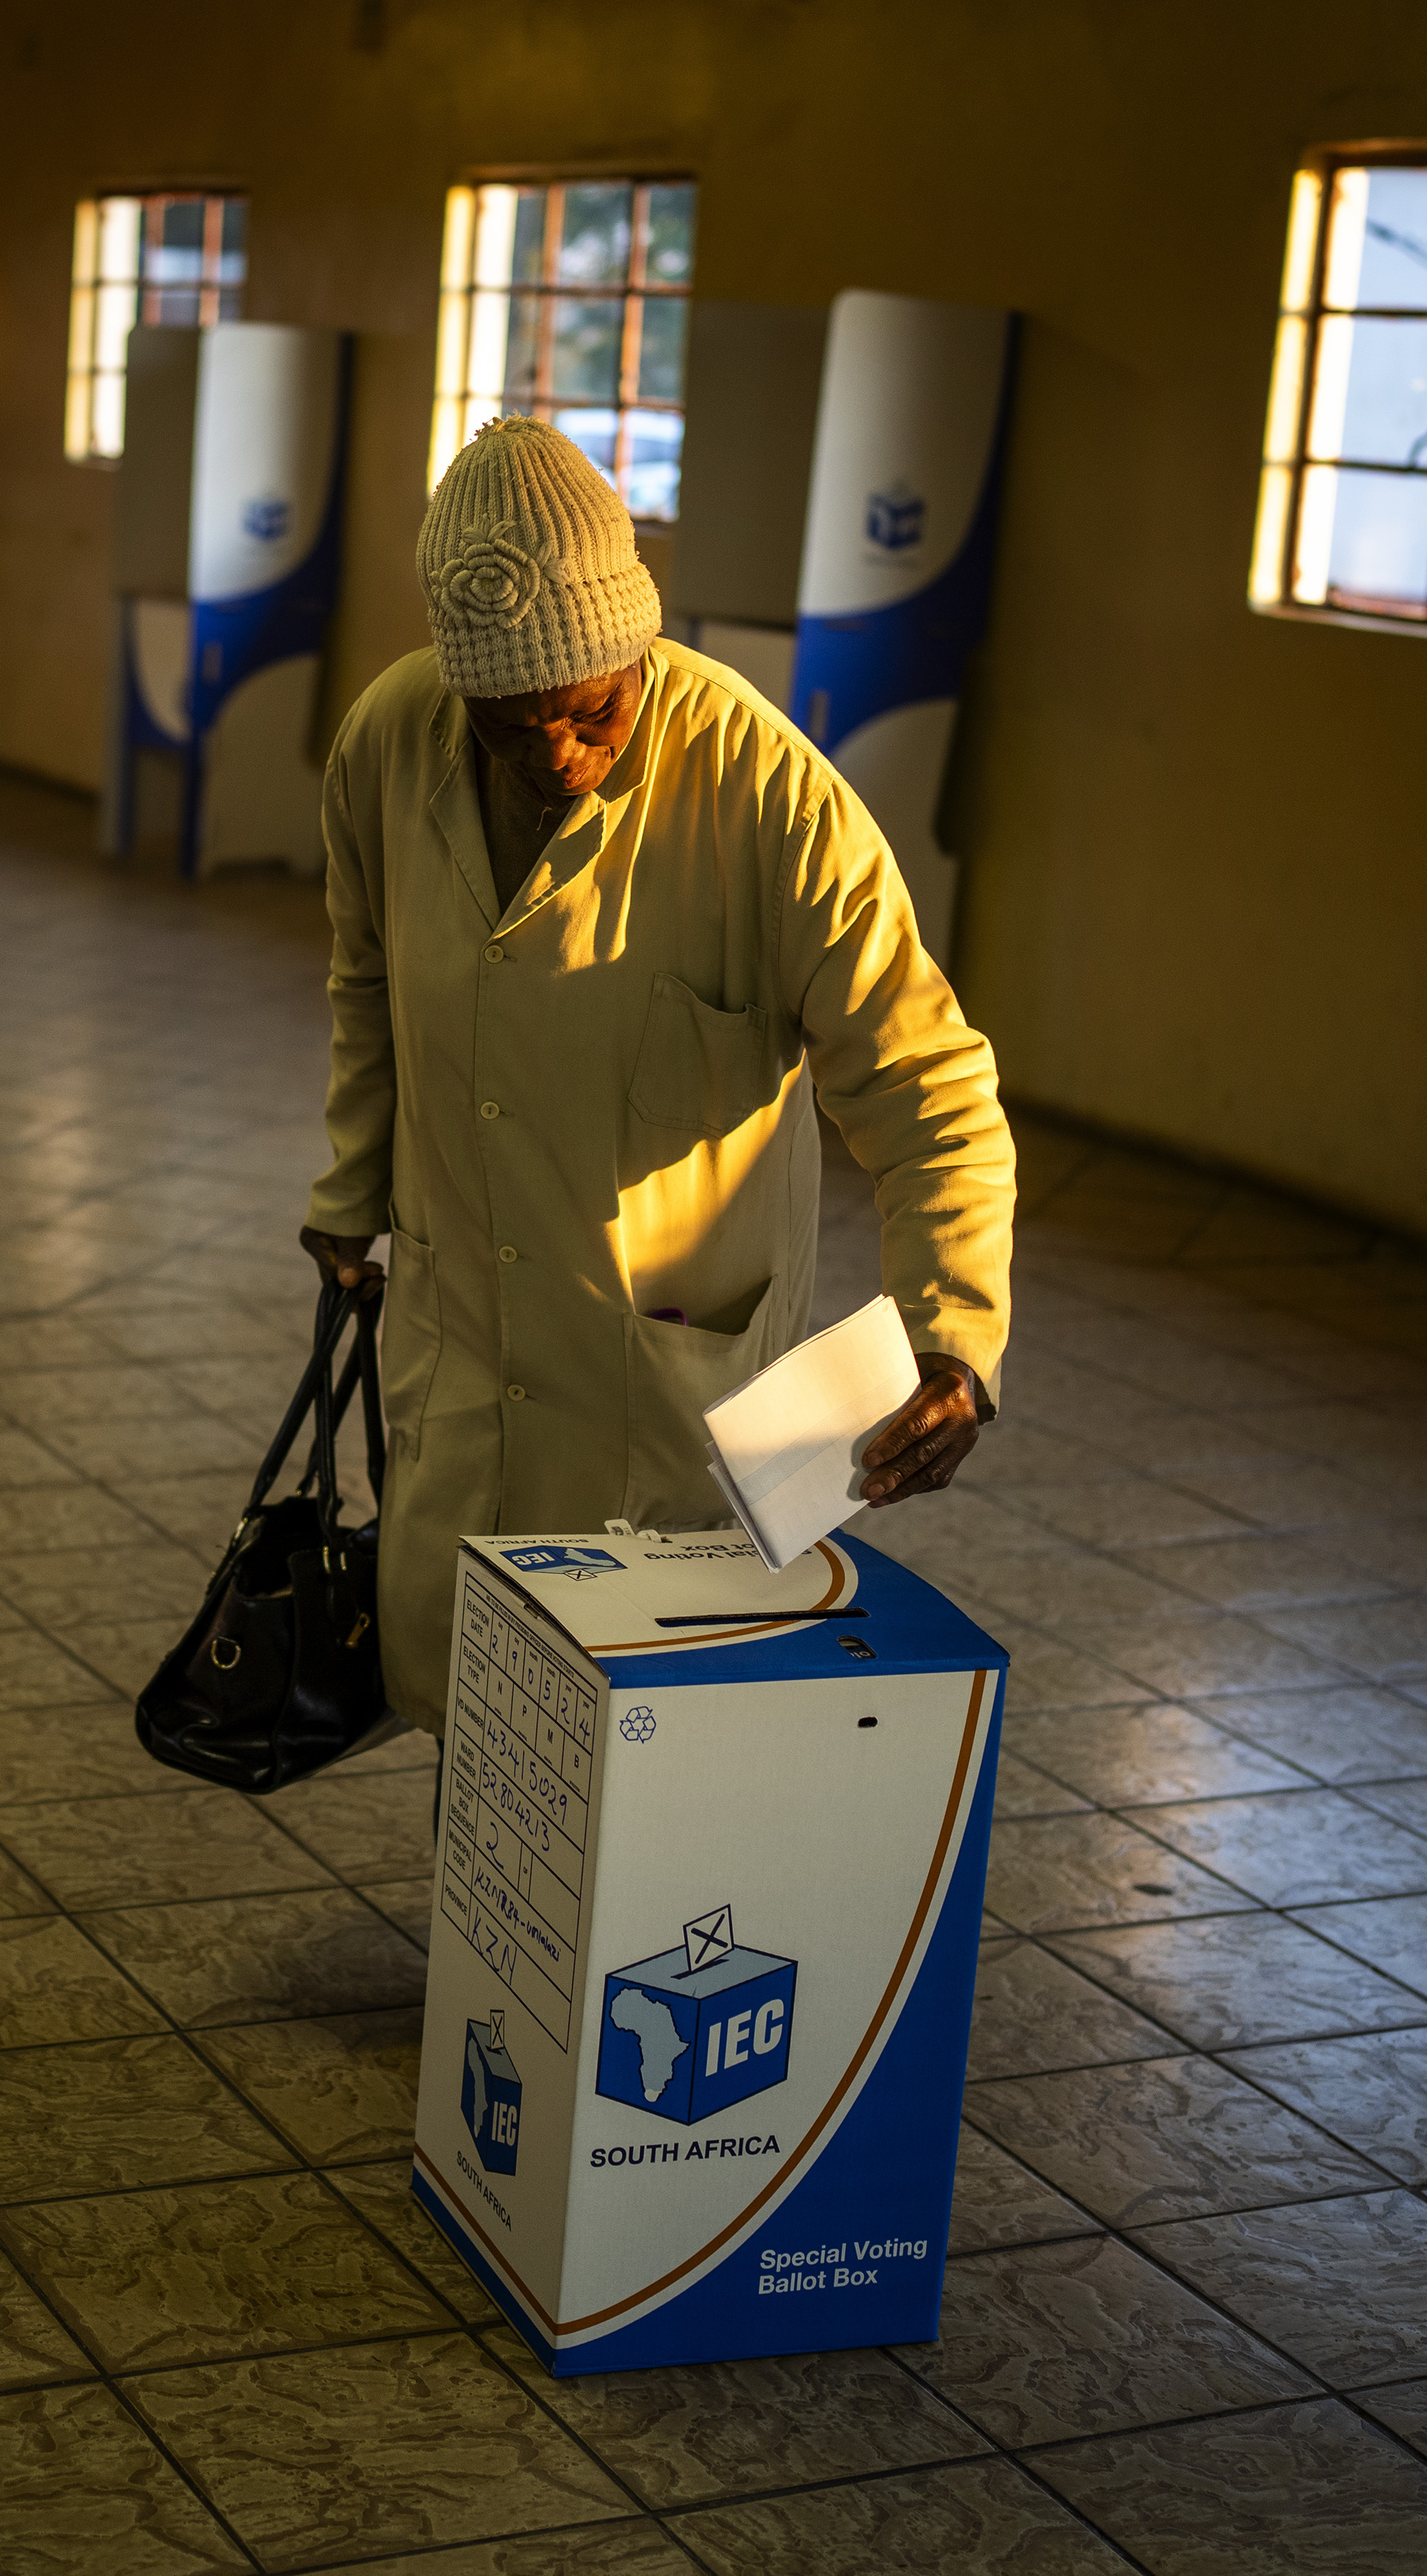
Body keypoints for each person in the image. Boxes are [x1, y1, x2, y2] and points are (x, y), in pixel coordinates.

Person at [301, 417, 1017, 1733]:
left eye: (592, 713)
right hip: (462, 1318)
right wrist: (351, 1192)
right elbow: (367, 981)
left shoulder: (769, 798)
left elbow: (929, 1083)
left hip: (671, 1363)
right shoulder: (388, 742)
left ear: (637, 644)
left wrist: (954, 1331)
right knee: (471, 1694)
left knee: (639, 1724)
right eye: (517, 729)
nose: (561, 753)